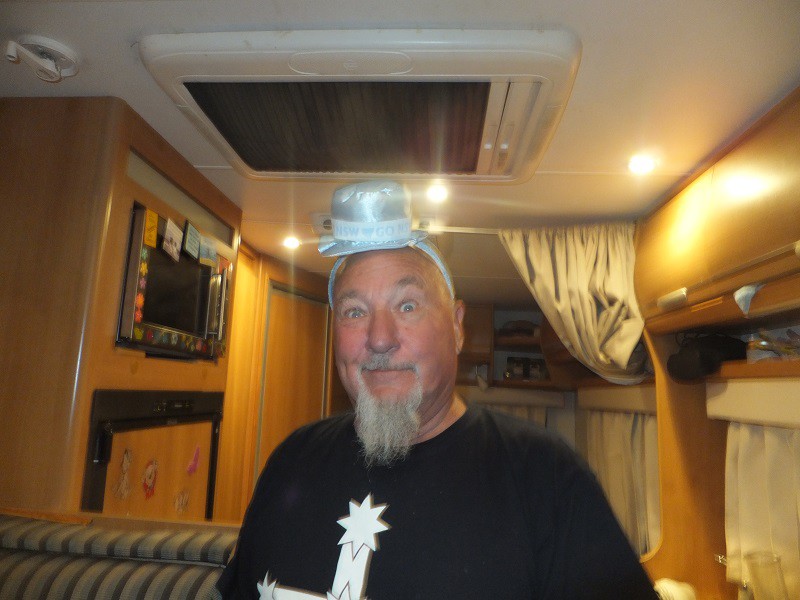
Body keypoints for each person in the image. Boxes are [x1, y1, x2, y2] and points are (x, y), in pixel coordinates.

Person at [216, 180, 658, 599]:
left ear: (457, 327)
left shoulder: (545, 476)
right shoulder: (291, 460)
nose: (380, 338)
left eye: (407, 306)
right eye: (354, 311)